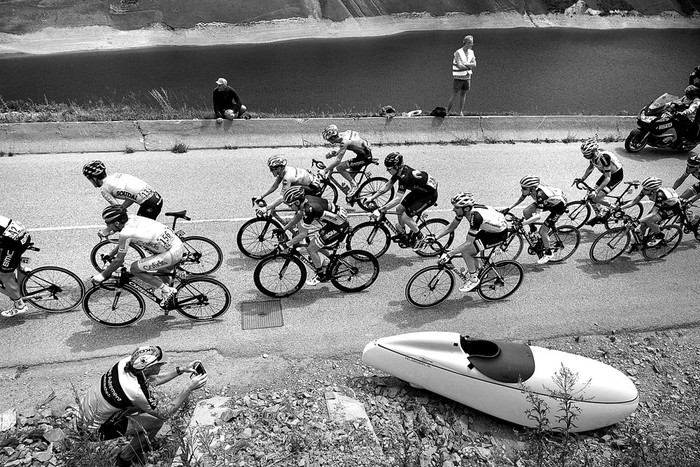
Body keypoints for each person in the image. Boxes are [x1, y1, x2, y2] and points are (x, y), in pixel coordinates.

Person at [80, 345, 207, 467]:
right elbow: (165, 413)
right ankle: (125, 459)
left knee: (146, 404)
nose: (163, 365)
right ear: (147, 368)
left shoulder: (125, 364)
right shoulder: (135, 391)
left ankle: (137, 436)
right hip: (92, 430)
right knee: (156, 422)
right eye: (160, 364)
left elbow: (151, 381)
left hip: (85, 414)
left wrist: (181, 370)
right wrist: (189, 388)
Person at [90, 205, 183, 306]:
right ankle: (171, 297)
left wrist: (102, 275)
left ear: (116, 223)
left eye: (107, 223)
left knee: (135, 268)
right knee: (162, 271)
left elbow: (119, 260)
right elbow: (125, 242)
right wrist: (111, 252)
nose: (107, 226)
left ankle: (167, 290)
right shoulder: (130, 218)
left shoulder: (126, 233)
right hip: (175, 244)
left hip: (171, 253)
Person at [433, 192, 508, 292]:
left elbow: (468, 243)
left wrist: (449, 254)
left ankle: (474, 279)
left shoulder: (475, 217)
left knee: (466, 251)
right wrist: (436, 237)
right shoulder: (465, 210)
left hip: (498, 235)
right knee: (469, 248)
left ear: (466, 208)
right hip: (490, 229)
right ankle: (479, 270)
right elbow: (452, 226)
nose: (453, 209)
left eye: (456, 207)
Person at [364, 152, 439, 251]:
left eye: (389, 169)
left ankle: (421, 238)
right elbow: (388, 186)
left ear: (397, 166)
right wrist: (372, 197)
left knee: (405, 216)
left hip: (429, 196)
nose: (388, 170)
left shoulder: (405, 178)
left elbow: (397, 199)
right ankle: (403, 235)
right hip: (419, 191)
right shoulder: (399, 170)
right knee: (399, 209)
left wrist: (381, 210)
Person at [277, 186, 349, 286]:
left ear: (297, 202)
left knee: (311, 248)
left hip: (339, 226)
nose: (290, 207)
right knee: (314, 242)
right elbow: (299, 215)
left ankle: (321, 275)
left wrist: (286, 244)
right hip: (335, 221)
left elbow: (303, 234)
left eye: (290, 205)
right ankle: (333, 259)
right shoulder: (305, 200)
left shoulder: (309, 209)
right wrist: (283, 228)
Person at [504, 176, 567, 264]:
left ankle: (549, 253)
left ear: (532, 188)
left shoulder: (540, 194)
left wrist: (523, 223)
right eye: (521, 187)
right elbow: (522, 198)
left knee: (543, 231)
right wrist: (508, 208)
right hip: (548, 202)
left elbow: (538, 216)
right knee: (526, 212)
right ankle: (534, 232)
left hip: (558, 207)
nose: (521, 190)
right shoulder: (532, 190)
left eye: (524, 188)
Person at [83, 160, 163, 220]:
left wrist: (110, 228)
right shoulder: (116, 176)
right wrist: (123, 208)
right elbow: (131, 197)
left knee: (138, 232)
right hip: (156, 198)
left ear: (94, 178)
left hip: (149, 204)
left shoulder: (104, 189)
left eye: (89, 179)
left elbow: (118, 211)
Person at [619, 177, 682, 249]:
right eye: (644, 188)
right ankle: (640, 242)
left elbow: (653, 213)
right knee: (643, 224)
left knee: (649, 220)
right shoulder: (646, 190)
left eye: (646, 189)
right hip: (662, 205)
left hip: (673, 208)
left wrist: (637, 221)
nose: (643, 190)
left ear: (653, 190)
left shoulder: (660, 195)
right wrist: (621, 207)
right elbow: (634, 201)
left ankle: (659, 236)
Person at [576, 138, 625, 226]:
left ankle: (611, 208)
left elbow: (608, 178)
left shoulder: (603, 158)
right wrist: (582, 179)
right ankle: (600, 213)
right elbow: (591, 167)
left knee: (597, 197)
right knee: (590, 194)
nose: (584, 156)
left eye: (586, 155)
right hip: (606, 173)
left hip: (615, 176)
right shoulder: (593, 156)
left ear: (593, 152)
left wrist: (597, 191)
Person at [320, 124, 373, 198]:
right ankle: (355, 197)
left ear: (334, 137)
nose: (330, 142)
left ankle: (355, 186)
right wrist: (335, 153)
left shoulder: (344, 142)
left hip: (365, 158)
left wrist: (325, 170)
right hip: (362, 155)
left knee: (339, 167)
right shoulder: (342, 135)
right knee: (349, 178)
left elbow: (338, 160)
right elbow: (353, 142)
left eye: (329, 139)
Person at [255, 155, 322, 212]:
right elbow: (274, 186)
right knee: (289, 196)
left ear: (279, 168)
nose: (270, 171)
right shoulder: (283, 170)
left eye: (272, 169)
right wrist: (261, 196)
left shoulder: (287, 177)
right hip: (310, 182)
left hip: (313, 189)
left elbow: (282, 198)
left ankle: (299, 216)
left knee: (289, 199)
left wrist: (266, 208)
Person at [0, 215, 31, 317]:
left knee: (4, 275)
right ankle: (14, 281)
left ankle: (20, 306)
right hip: (18, 237)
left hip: (14, 244)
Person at [446, 35, 476, 117]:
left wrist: (466, 65)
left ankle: (460, 112)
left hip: (467, 77)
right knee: (455, 94)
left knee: (463, 94)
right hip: (458, 77)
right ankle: (447, 111)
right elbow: (459, 65)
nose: (472, 45)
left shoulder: (471, 52)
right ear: (466, 43)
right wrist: (469, 66)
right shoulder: (458, 53)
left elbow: (474, 64)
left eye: (472, 43)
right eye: (470, 43)